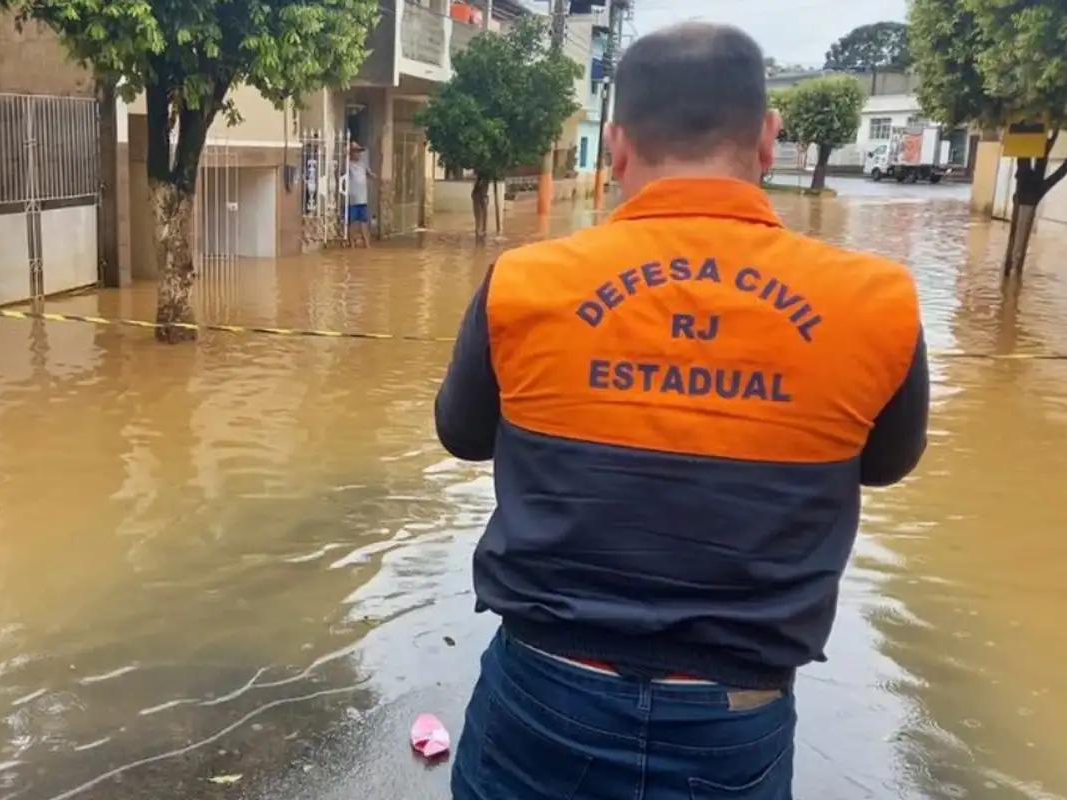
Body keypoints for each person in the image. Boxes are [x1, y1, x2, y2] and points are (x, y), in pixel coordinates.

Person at [437, 22, 928, 800]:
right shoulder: (878, 303)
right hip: (737, 718)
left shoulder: (523, 284)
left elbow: (461, 437)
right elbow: (887, 464)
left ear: (619, 143)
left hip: (546, 696)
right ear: (769, 139)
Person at [346, 141, 376, 247]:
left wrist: (375, 177)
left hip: (363, 198)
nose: (358, 154)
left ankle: (367, 244)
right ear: (351, 153)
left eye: (359, 152)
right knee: (352, 222)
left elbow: (369, 174)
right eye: (356, 152)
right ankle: (352, 244)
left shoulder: (363, 164)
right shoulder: (347, 165)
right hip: (352, 199)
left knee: (363, 221)